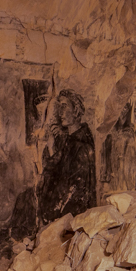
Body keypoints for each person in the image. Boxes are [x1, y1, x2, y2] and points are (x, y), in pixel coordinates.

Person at [37, 89, 97, 223]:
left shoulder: (81, 146)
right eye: (59, 107)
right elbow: (54, 167)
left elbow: (75, 190)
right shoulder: (68, 141)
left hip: (71, 216)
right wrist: (51, 146)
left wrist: (55, 212)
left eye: (64, 106)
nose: (60, 112)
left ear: (75, 111)